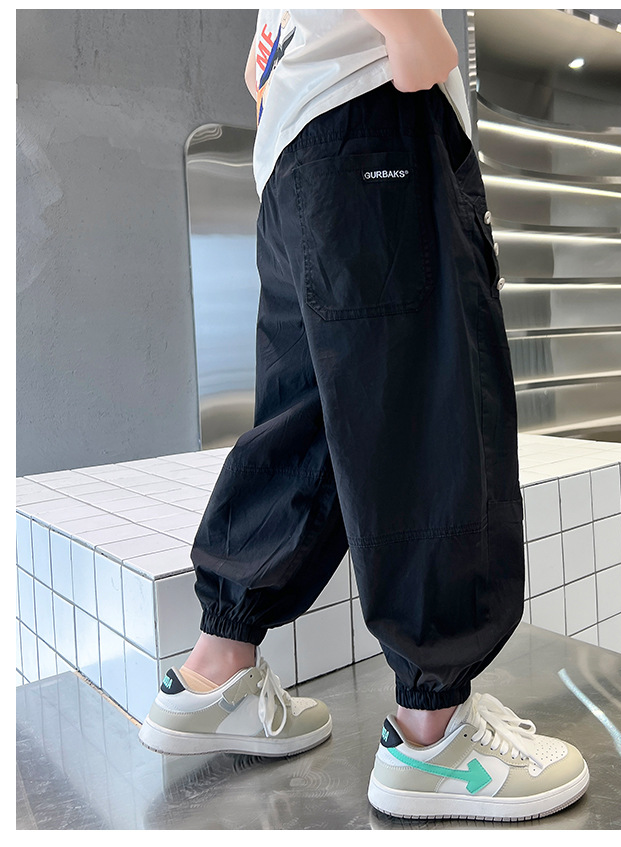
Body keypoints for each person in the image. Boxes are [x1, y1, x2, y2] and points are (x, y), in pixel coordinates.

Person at [138, 9, 589, 822]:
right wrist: (416, 33)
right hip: (377, 121)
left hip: (295, 151)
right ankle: (433, 736)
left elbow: (256, 68)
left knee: (307, 417)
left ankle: (216, 669)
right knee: (424, 415)